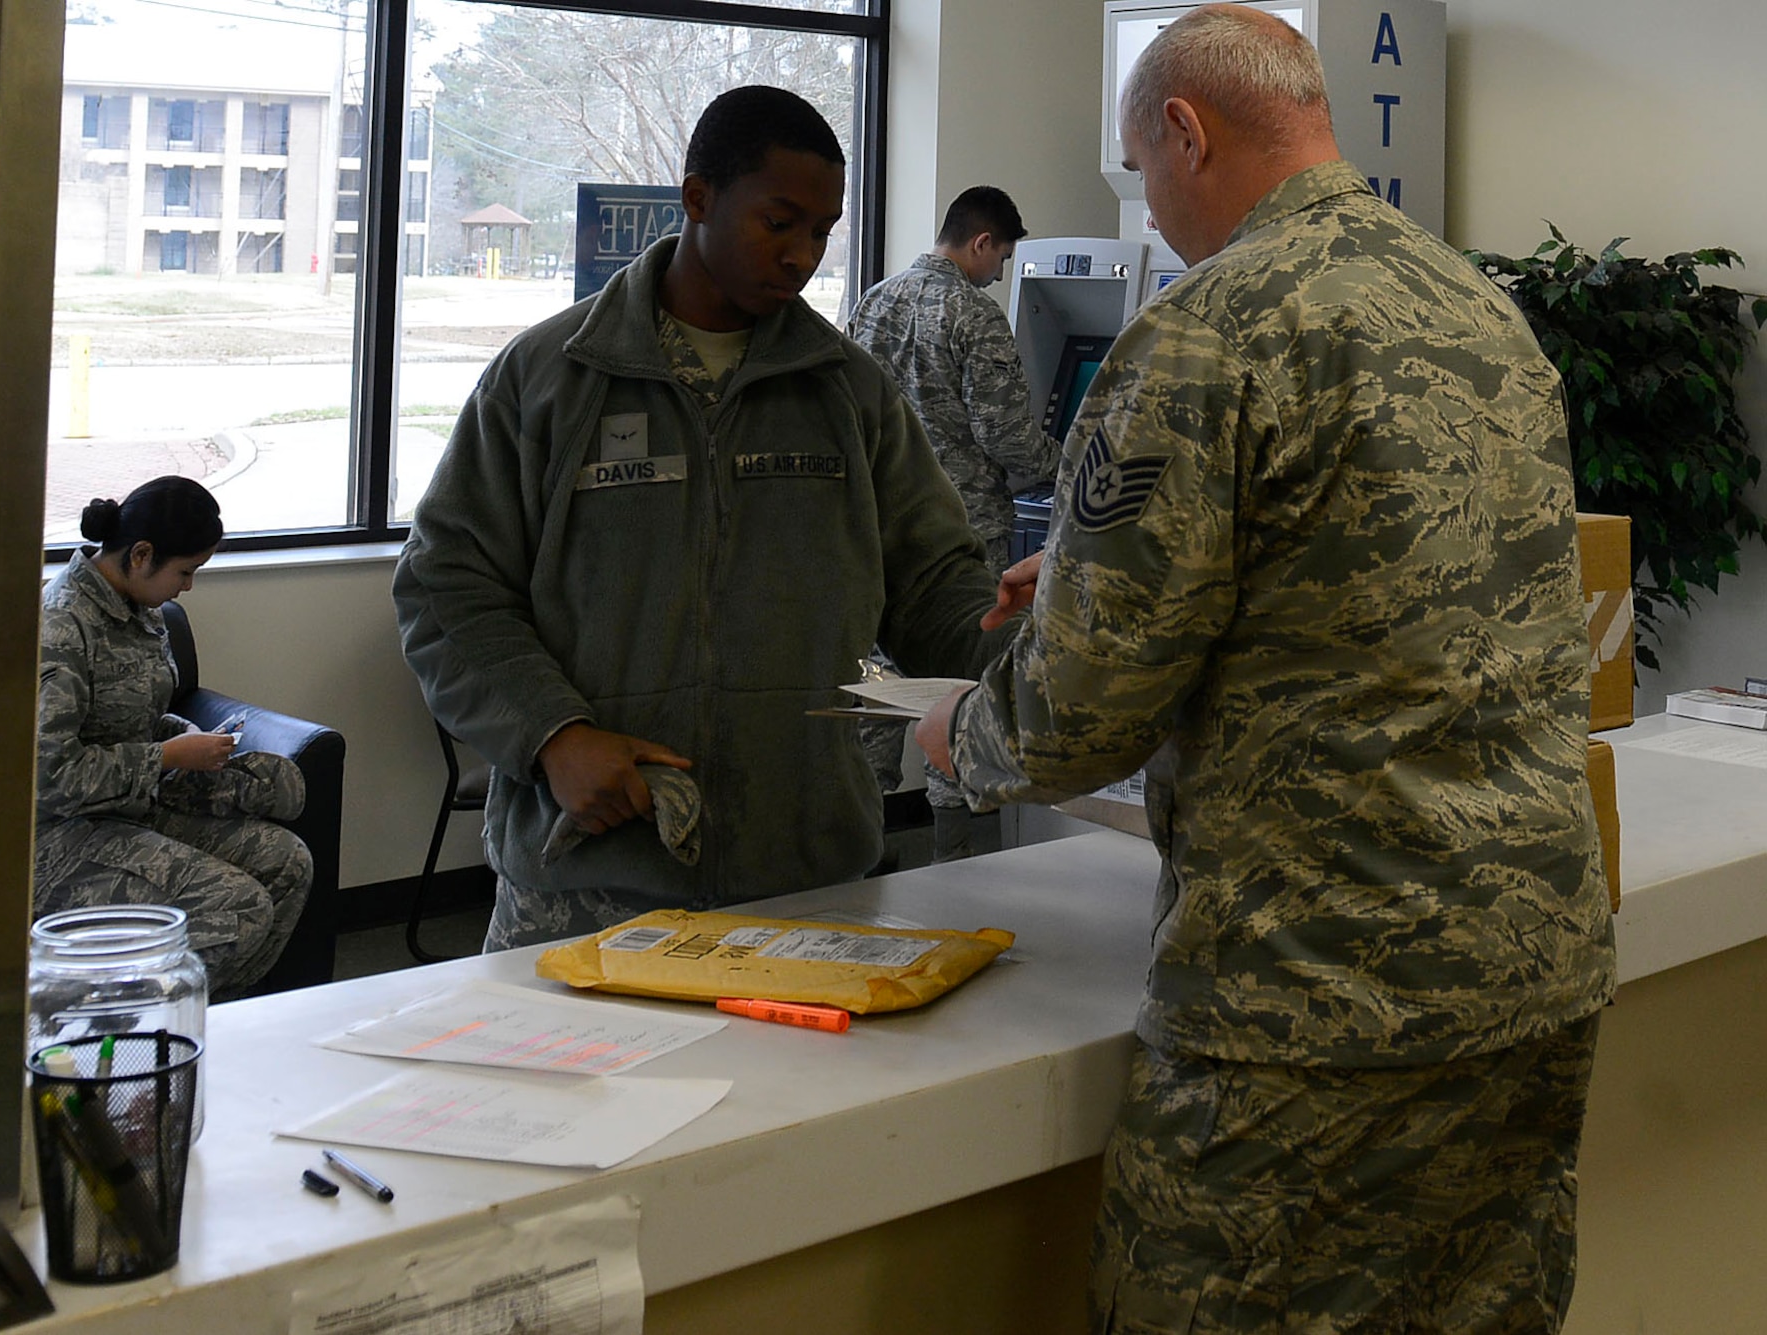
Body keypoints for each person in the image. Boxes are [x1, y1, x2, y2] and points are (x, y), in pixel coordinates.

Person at [916, 8, 1616, 1331]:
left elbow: (1073, 719)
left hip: (1315, 1003)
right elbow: (1376, 572)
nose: (1150, 208)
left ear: (1185, 131)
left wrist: (960, 730)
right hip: (1531, 966)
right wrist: (1096, 564)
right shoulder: (1479, 308)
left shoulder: (1207, 328)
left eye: (1142, 169)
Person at [394, 85, 1010, 952]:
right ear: (697, 198)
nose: (802, 256)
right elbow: (446, 587)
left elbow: (935, 589)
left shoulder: (848, 392)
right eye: (778, 222)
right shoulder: (551, 377)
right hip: (589, 885)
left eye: (823, 232)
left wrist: (1041, 648)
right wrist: (555, 736)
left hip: (803, 881)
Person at [34, 476, 312, 1000]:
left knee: (286, 861)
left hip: (129, 809)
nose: (187, 587)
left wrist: (190, 740)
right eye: (185, 572)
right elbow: (48, 778)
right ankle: (126, 1023)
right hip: (59, 838)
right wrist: (163, 758)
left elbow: (136, 717)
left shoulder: (142, 611)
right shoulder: (62, 626)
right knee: (238, 905)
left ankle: (214, 1012)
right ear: (141, 555)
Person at [848, 186, 1062, 860]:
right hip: (961, 536)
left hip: (879, 528)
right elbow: (1009, 437)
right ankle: (957, 860)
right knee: (959, 682)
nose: (999, 273)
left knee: (880, 684)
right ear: (981, 242)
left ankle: (864, 849)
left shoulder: (874, 301)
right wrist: (1075, 467)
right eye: (1001, 257)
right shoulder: (974, 314)